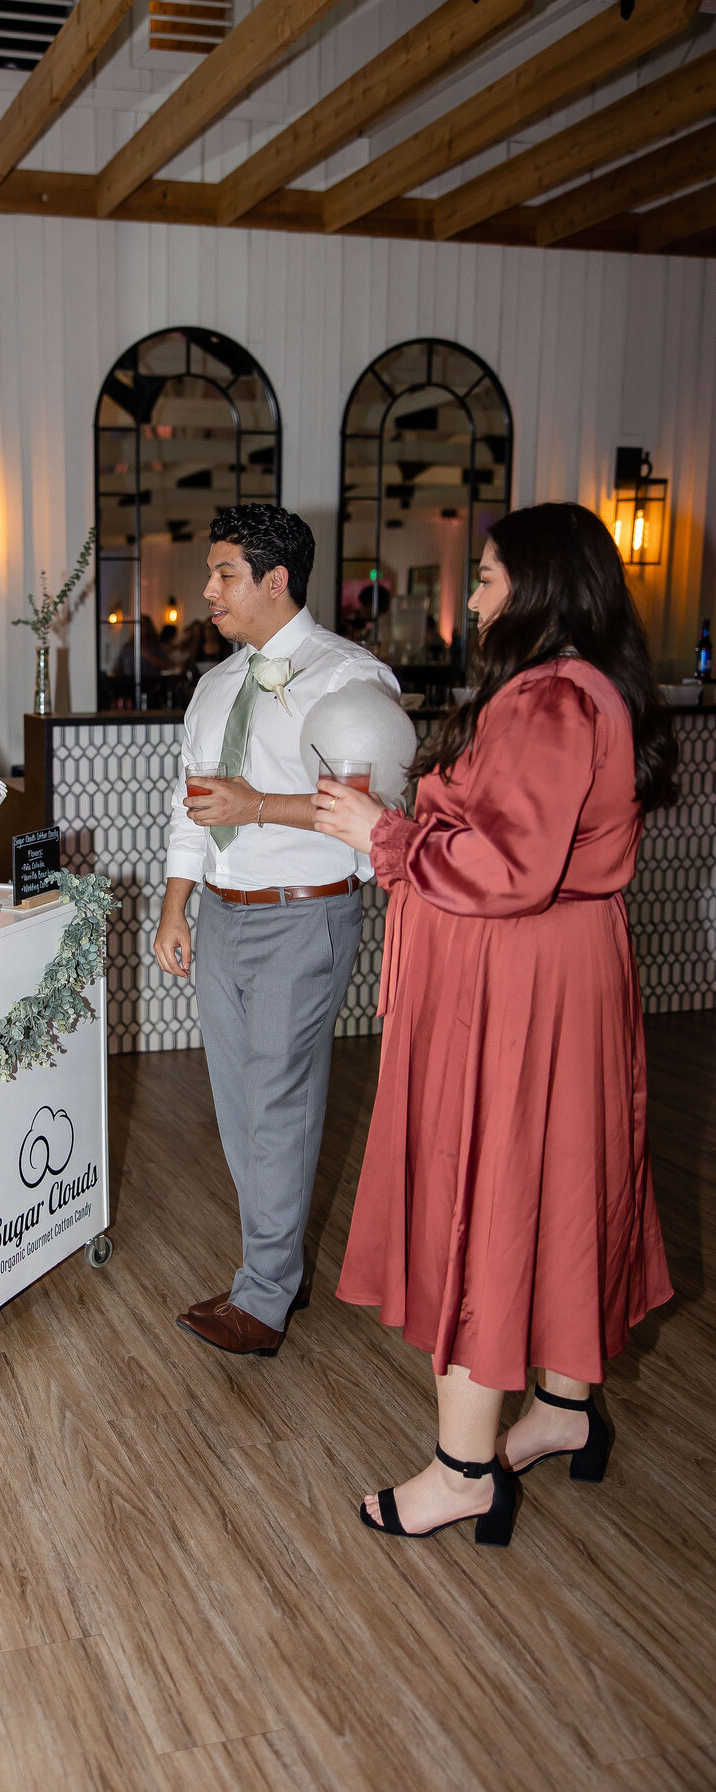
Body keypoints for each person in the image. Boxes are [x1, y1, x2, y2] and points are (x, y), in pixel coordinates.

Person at [313, 502, 676, 1546]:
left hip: (519, 985)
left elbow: (501, 869)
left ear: (538, 587)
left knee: (493, 1190)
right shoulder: (582, 691)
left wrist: (381, 832)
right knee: (561, 1180)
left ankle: (465, 1469)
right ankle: (562, 1409)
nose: (470, 596)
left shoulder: (551, 700)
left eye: (482, 577)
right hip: (565, 972)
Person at [153, 506, 399, 1355]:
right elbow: (189, 809)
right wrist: (175, 906)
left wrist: (256, 806)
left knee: (279, 1103)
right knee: (237, 1106)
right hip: (221, 915)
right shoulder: (217, 684)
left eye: (224, 573)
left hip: (305, 913)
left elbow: (373, 812)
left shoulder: (348, 677)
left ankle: (262, 1297)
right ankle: (276, 1273)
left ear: (275, 580)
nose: (208, 590)